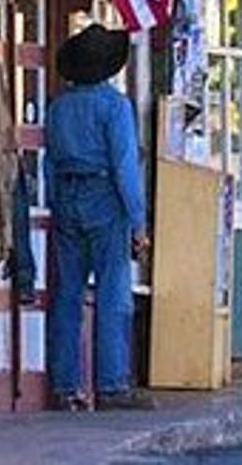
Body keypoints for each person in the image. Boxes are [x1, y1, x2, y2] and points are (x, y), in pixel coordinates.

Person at [45, 21, 153, 412]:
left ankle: (64, 384)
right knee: (113, 293)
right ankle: (111, 384)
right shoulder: (114, 106)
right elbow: (125, 166)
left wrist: (57, 203)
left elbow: (49, 162)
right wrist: (138, 222)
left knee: (68, 295)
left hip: (67, 197)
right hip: (105, 197)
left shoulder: (58, 107)